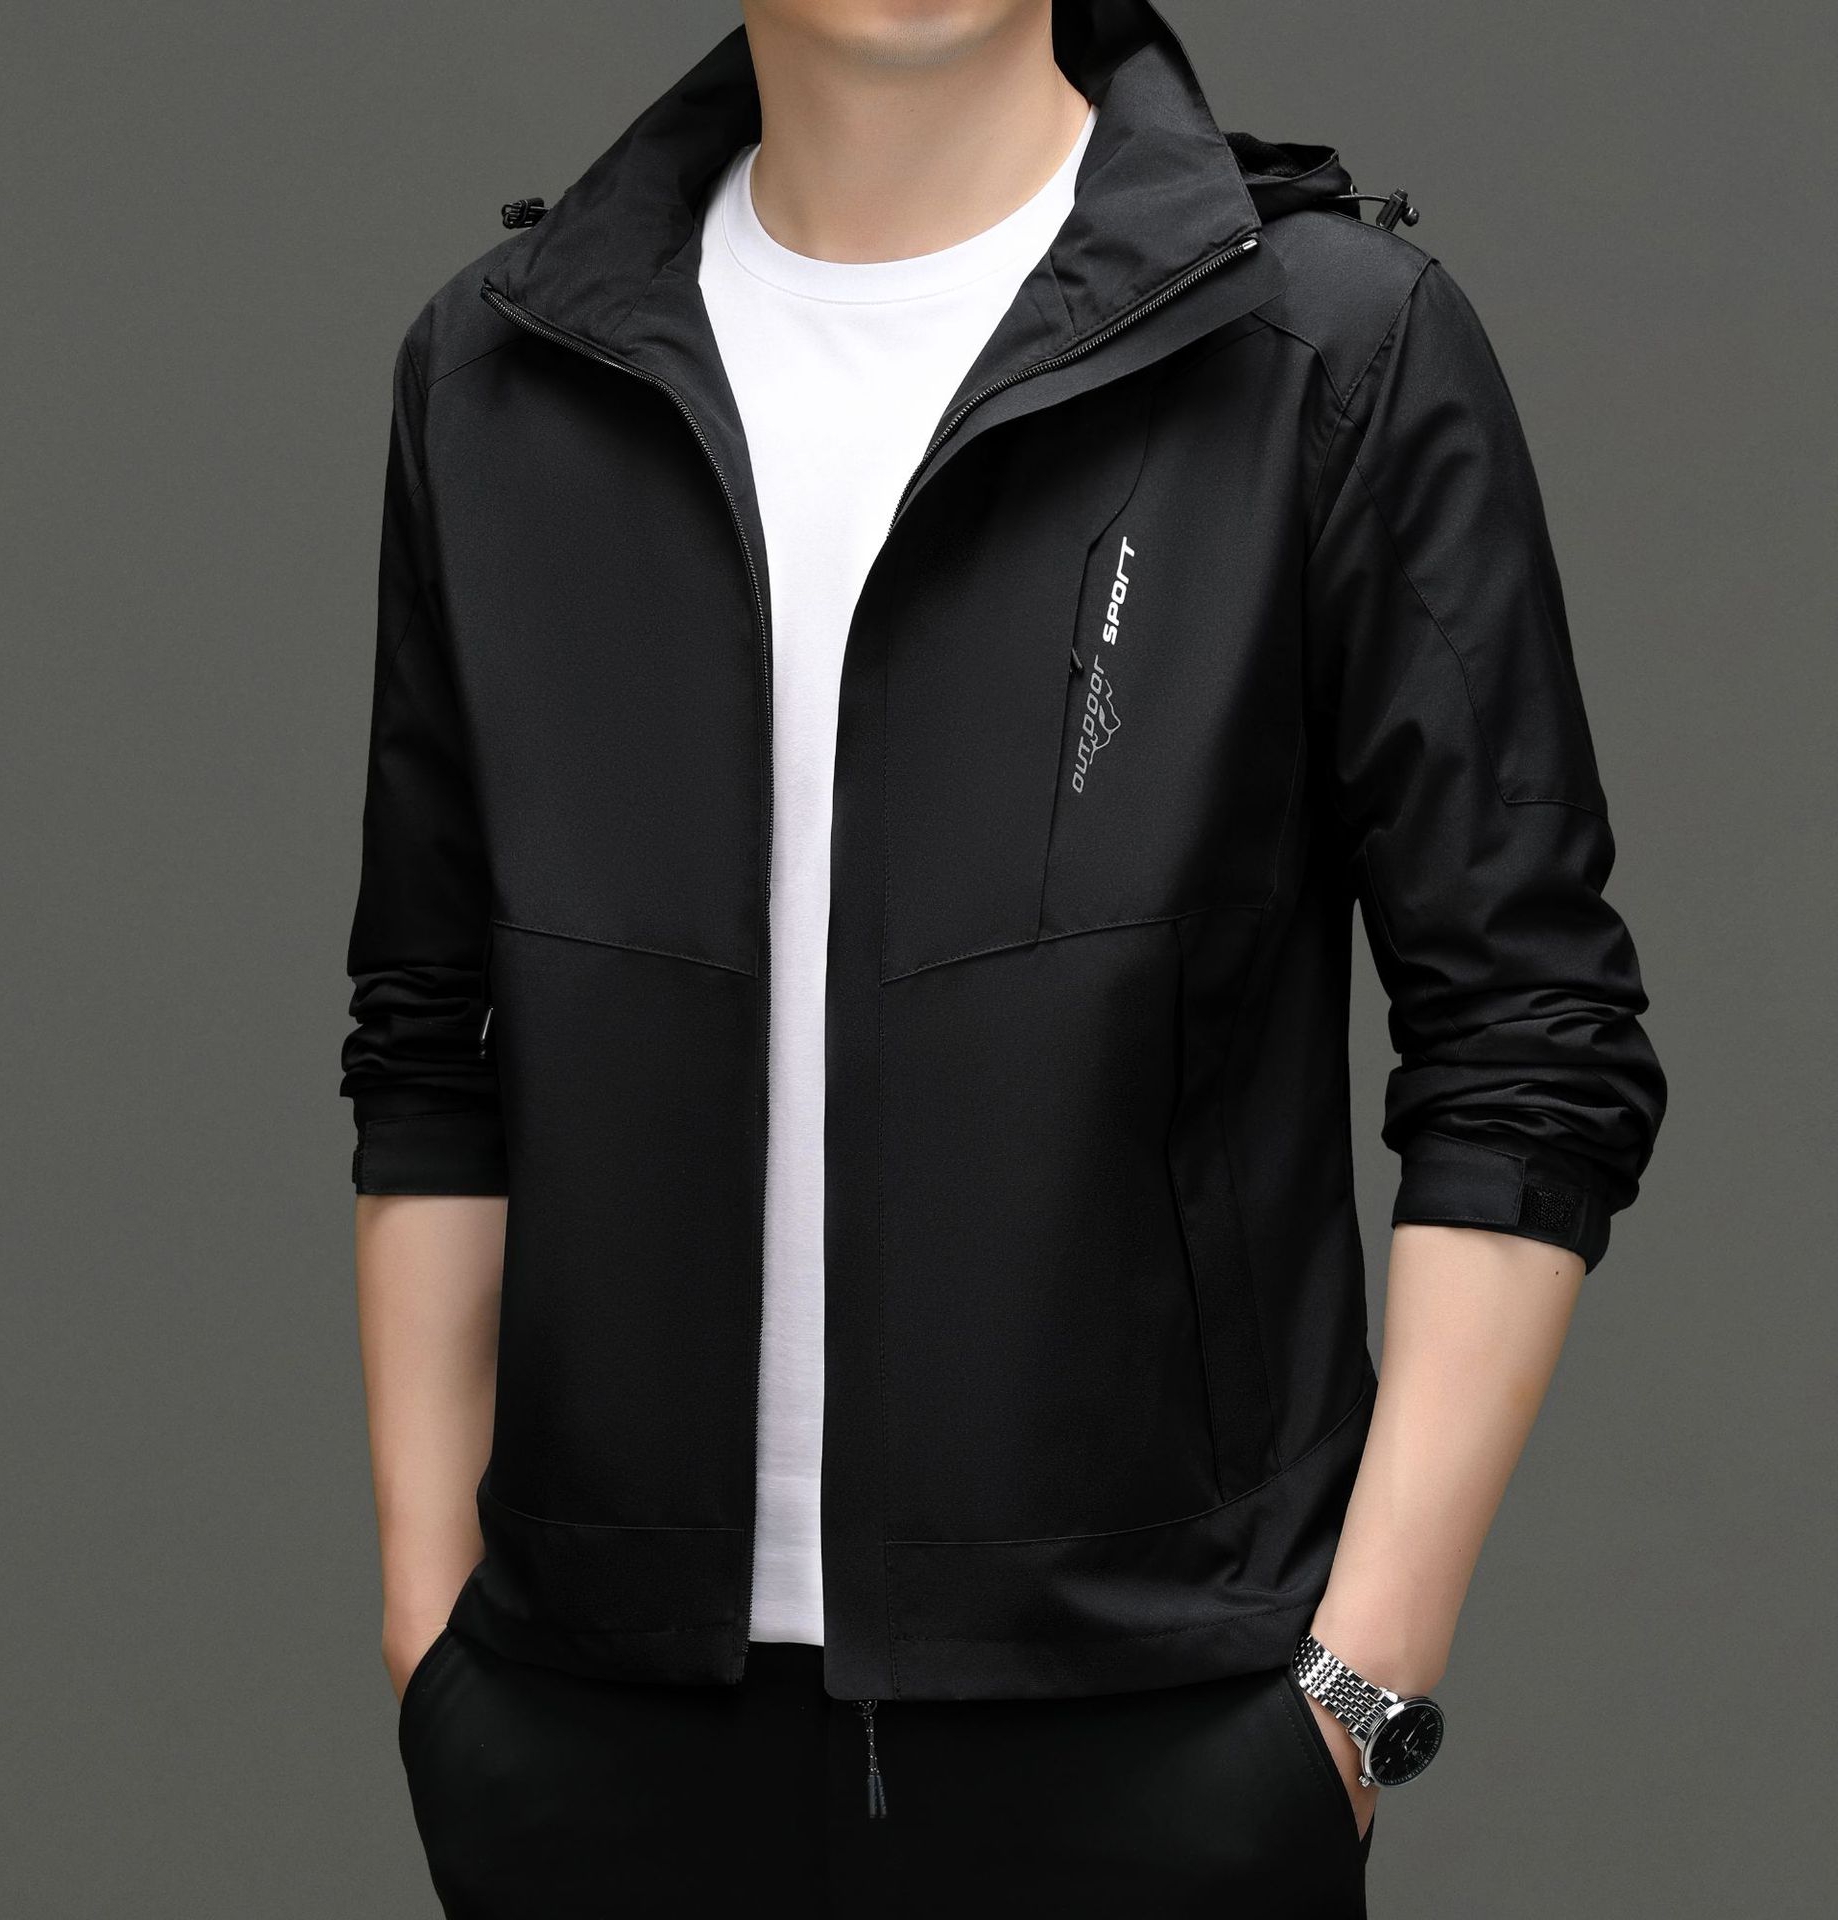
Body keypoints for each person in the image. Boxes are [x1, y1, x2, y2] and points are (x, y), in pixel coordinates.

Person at [340, 1, 1666, 1913]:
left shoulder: (1319, 347)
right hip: (585, 1736)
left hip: (1159, 1729)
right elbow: (426, 1042)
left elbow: (1531, 1041)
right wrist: (433, 1639)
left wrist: (1351, 1693)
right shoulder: (501, 374)